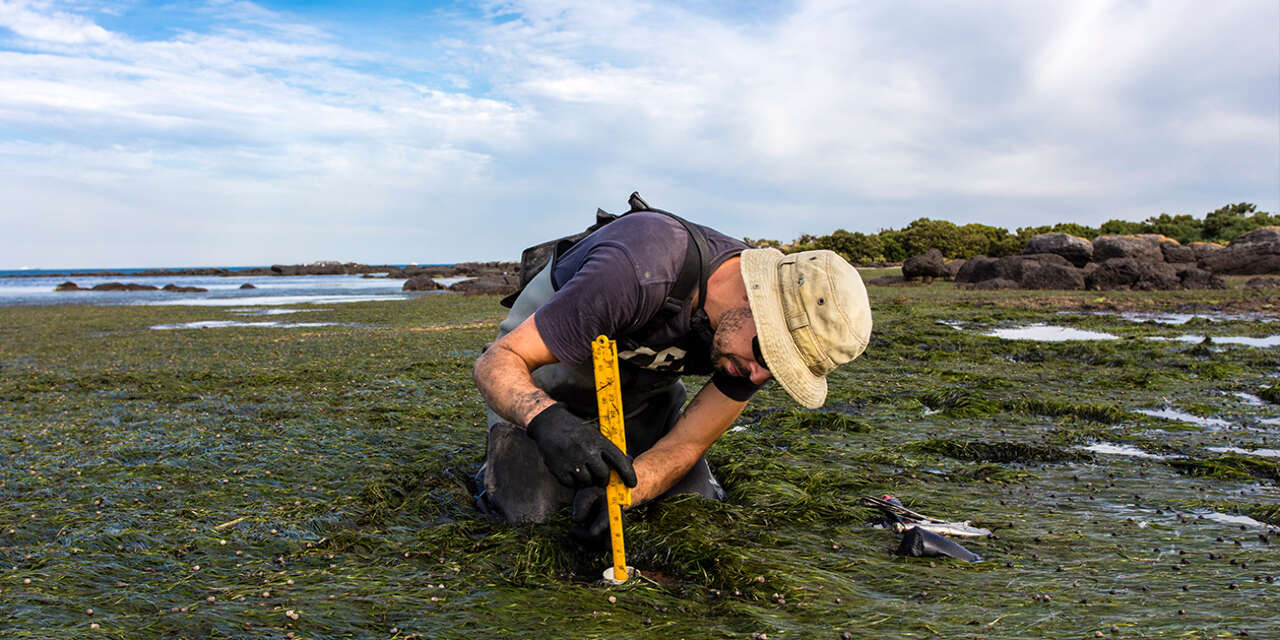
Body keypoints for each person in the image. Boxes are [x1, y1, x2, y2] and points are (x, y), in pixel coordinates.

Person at [473, 196, 872, 544]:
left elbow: (687, 444)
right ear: (755, 300)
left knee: (696, 509)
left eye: (778, 372)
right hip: (543, 385)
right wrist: (545, 421)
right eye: (768, 356)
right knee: (531, 518)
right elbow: (497, 362)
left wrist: (627, 495)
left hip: (642, 403)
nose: (757, 377)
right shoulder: (641, 267)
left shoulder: (749, 353)